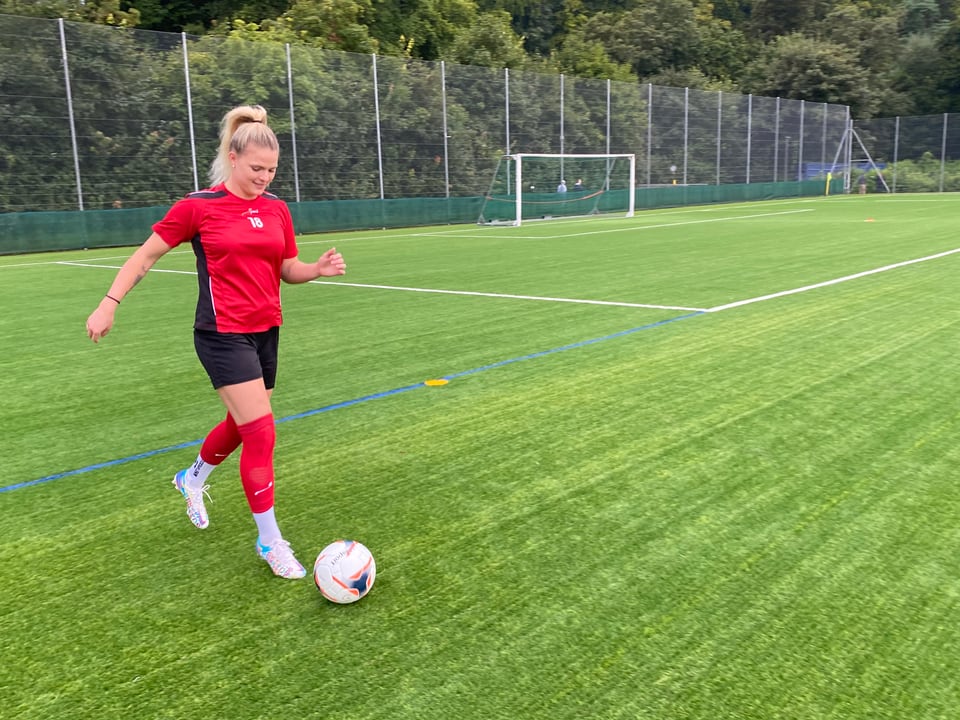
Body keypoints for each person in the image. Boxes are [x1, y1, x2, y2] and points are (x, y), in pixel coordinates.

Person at [85, 105, 346, 580]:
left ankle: (193, 477)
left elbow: (287, 269)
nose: (265, 178)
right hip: (221, 333)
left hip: (266, 330)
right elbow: (144, 258)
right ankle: (270, 541)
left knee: (241, 422)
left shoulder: (277, 210)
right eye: (256, 169)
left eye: (271, 170)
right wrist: (109, 302)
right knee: (262, 432)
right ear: (232, 156)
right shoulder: (198, 206)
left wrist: (316, 269)